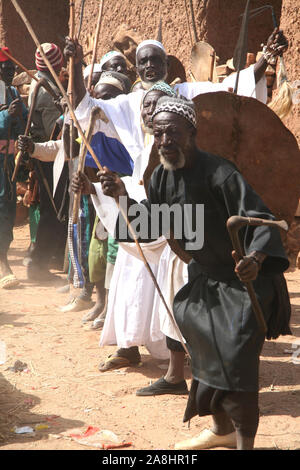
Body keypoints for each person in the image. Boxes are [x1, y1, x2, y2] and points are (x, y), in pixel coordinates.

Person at [66, 29, 288, 378]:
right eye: (143, 62)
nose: (164, 136)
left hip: (184, 210)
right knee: (140, 275)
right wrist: (76, 65)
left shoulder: (214, 161)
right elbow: (86, 108)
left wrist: (264, 60)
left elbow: (232, 90)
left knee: (183, 280)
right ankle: (134, 348)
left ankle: (188, 364)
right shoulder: (129, 106)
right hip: (149, 198)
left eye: (156, 60)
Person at [87, 95, 291, 450]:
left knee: (236, 368)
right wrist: (121, 196)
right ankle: (220, 429)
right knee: (205, 359)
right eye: (159, 134)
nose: (165, 141)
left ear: (192, 132)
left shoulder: (221, 174)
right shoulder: (162, 180)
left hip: (245, 284)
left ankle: (244, 443)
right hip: (204, 282)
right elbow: (151, 223)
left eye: (173, 133)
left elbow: (263, 221)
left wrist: (255, 259)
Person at [26, 43, 68, 280]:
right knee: (53, 210)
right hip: (49, 156)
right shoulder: (45, 89)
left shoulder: (44, 83)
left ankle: (46, 258)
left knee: (52, 208)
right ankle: (37, 265)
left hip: (46, 153)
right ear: (57, 63)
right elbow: (56, 131)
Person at [0, 46, 27, 288]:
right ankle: (3, 263)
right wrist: (7, 117)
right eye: (3, 67)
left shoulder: (11, 93)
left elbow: (24, 123)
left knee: (7, 211)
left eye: (11, 68)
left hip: (8, 165)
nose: (8, 71)